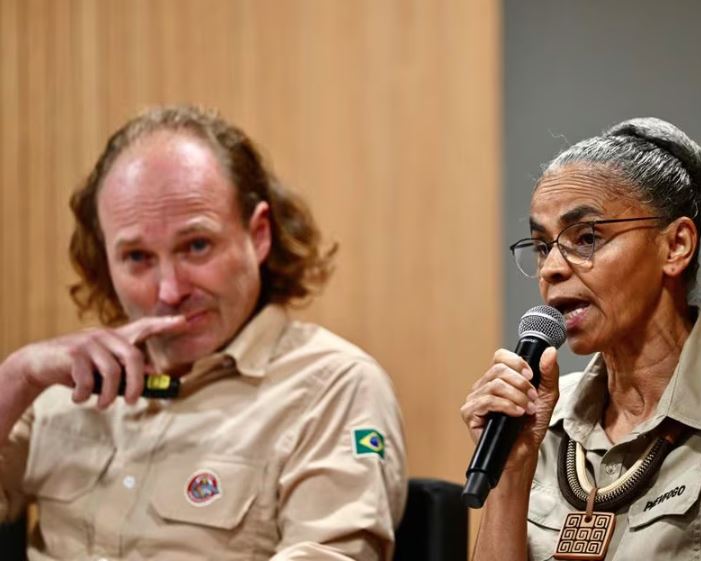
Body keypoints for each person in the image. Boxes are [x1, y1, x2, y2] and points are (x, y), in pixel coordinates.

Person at [0, 105, 407, 560]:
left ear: (259, 235)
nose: (170, 291)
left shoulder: (333, 388)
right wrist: (15, 379)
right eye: (137, 257)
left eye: (196, 246)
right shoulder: (60, 387)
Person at [461, 117, 701, 560]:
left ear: (676, 245)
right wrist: (512, 468)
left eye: (587, 237)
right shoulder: (540, 418)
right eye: (543, 246)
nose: (552, 269)